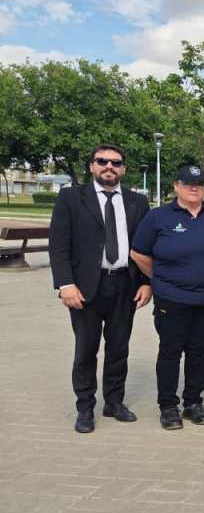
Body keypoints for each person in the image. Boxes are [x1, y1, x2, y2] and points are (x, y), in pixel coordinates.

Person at [49, 144, 151, 433]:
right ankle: (84, 408)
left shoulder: (136, 202)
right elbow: (59, 245)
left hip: (124, 285)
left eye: (116, 163)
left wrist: (146, 282)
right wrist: (65, 284)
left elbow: (144, 248)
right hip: (85, 288)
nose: (109, 167)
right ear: (92, 166)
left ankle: (114, 402)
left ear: (123, 169)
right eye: (102, 161)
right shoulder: (71, 198)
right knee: (86, 349)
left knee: (119, 348)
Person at [130, 166, 204, 429]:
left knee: (198, 352)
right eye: (188, 183)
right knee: (171, 352)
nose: (194, 188)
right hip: (173, 299)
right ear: (176, 186)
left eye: (199, 183)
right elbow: (138, 253)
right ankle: (168, 406)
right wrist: (159, 277)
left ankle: (193, 402)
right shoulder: (159, 217)